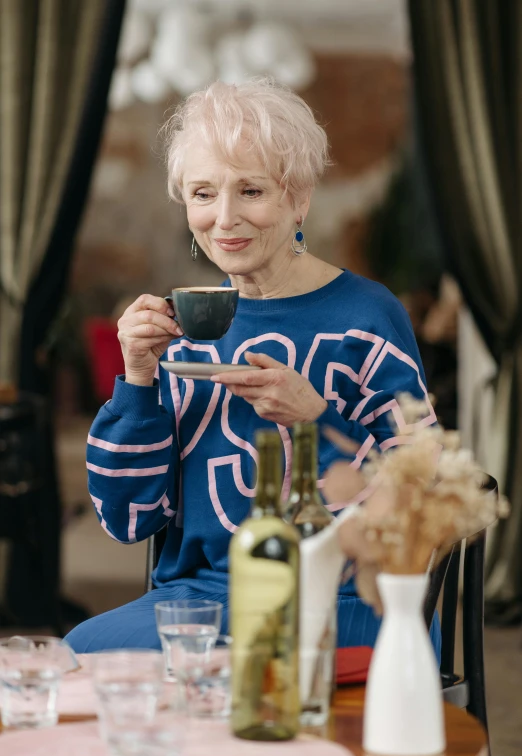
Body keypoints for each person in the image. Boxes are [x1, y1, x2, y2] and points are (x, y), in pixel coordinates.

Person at [65, 78, 441, 657]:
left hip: (343, 597)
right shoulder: (183, 333)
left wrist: (315, 418)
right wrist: (138, 380)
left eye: (251, 191)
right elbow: (128, 517)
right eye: (202, 193)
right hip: (203, 598)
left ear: (299, 198)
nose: (224, 218)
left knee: (242, 666)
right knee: (74, 659)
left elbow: (424, 497)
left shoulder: (366, 317)